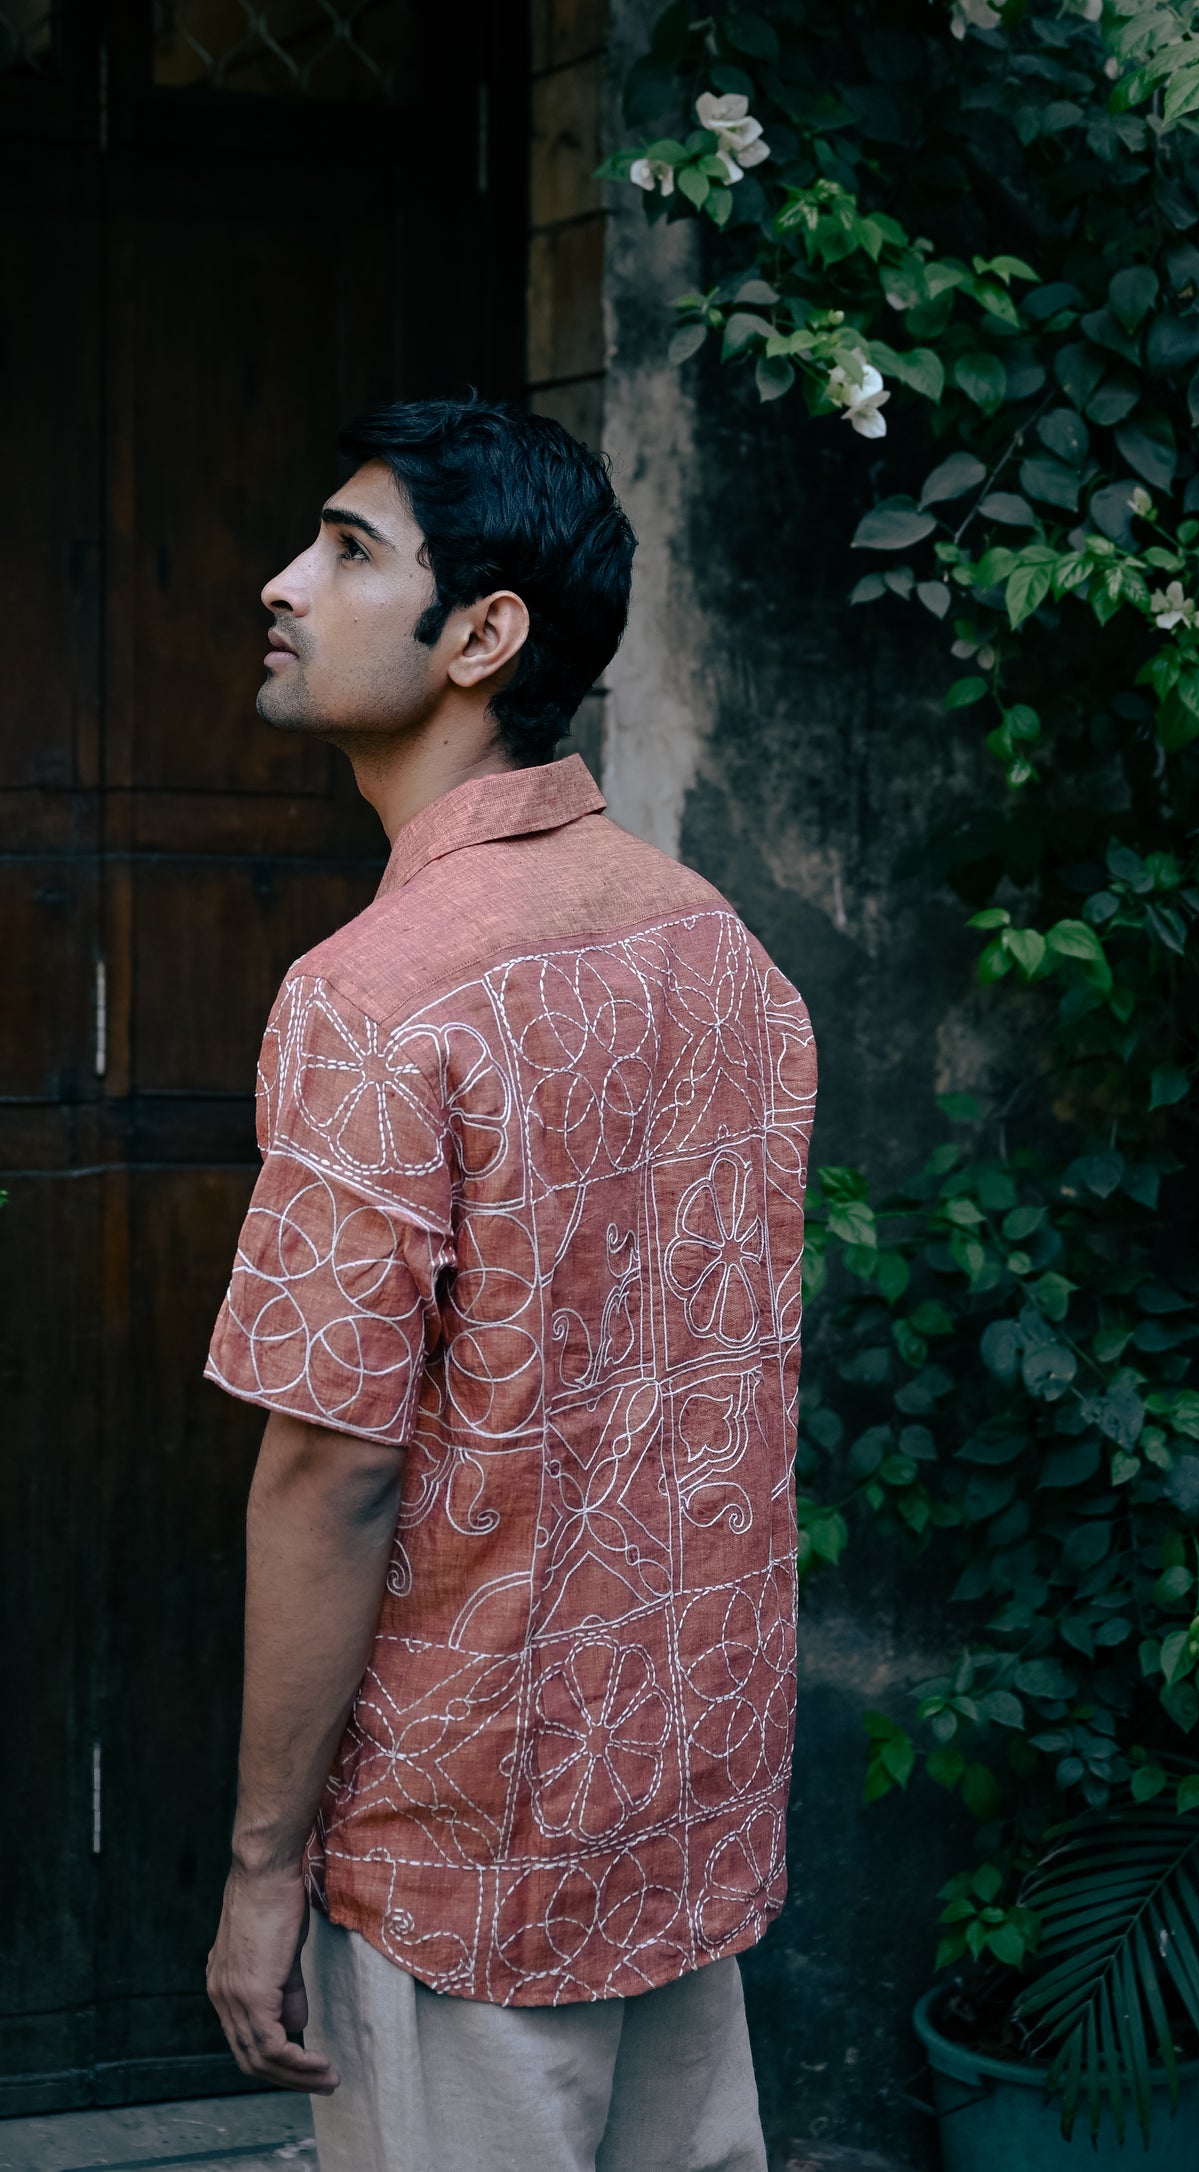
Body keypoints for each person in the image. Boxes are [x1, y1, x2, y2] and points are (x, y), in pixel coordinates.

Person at [200, 397, 816, 2172]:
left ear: (482, 635)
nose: (284, 582)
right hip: (678, 1803)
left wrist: (261, 1870)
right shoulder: (718, 947)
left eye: (347, 550)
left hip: (461, 1843)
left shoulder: (377, 995)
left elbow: (332, 1470)